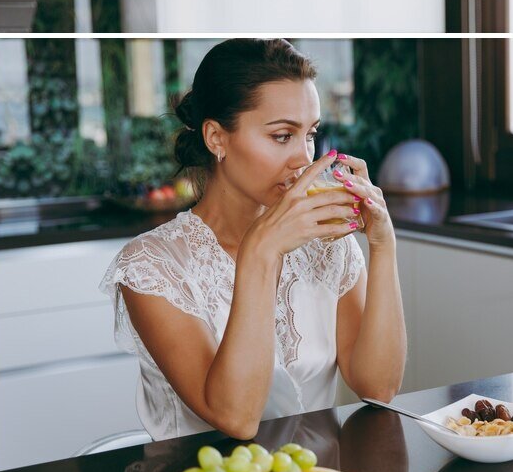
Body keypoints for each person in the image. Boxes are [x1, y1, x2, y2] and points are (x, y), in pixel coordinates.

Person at [100, 39, 406, 441]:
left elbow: (378, 388)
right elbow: (237, 417)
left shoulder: (326, 244)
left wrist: (384, 245)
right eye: (282, 136)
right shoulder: (152, 267)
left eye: (310, 135)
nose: (303, 159)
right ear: (216, 138)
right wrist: (262, 250)